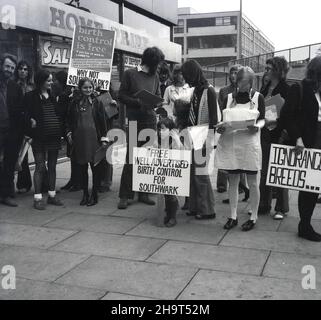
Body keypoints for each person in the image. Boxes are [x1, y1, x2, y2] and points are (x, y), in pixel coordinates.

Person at [215, 67, 265, 231]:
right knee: (233, 181)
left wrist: (257, 126)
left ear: (250, 82)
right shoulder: (229, 98)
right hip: (231, 143)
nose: (239, 84)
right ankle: (233, 215)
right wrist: (220, 127)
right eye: (237, 80)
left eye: (242, 81)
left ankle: (254, 216)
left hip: (249, 144)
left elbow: (264, 119)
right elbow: (222, 120)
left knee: (252, 181)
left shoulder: (258, 97)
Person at [118, 46, 164, 210]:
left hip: (150, 121)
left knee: (147, 158)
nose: (159, 67)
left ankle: (143, 193)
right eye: (157, 64)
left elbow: (158, 96)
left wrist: (159, 104)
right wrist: (137, 102)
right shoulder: (130, 74)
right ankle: (125, 195)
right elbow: (121, 95)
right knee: (131, 158)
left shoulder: (155, 76)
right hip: (134, 121)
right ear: (150, 62)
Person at [285, 56, 321, 242]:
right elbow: (287, 116)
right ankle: (304, 225)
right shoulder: (300, 88)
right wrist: (297, 138)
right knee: (309, 186)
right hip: (309, 141)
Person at [181, 59, 217, 220]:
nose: (186, 80)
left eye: (187, 76)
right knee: (192, 174)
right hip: (193, 134)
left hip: (202, 136)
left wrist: (207, 141)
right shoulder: (196, 90)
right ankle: (195, 206)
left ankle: (207, 209)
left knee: (201, 174)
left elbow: (214, 119)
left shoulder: (209, 91)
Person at [25, 69, 64, 210]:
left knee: (53, 167)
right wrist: (29, 121)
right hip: (39, 138)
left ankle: (52, 195)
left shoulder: (53, 96)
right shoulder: (30, 96)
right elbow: (24, 114)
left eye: (51, 80)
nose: (51, 82)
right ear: (41, 81)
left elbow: (58, 113)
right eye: (49, 80)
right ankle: (37, 198)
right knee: (40, 167)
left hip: (53, 137)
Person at [66, 78, 109, 206]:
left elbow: (103, 122)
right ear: (80, 88)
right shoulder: (74, 103)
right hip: (80, 141)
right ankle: (85, 194)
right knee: (82, 169)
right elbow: (68, 120)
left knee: (95, 169)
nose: (88, 90)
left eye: (90, 87)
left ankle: (94, 195)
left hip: (94, 140)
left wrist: (104, 138)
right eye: (85, 87)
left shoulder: (97, 102)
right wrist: (68, 133)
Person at [259, 57, 290, 220]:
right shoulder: (264, 89)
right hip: (264, 133)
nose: (266, 71)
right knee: (264, 172)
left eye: (268, 68)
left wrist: (276, 121)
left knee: (279, 172)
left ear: (278, 70)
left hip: (279, 135)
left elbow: (290, 115)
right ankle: (264, 204)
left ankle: (281, 208)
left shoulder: (287, 89)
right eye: (265, 68)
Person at [0, 54, 24, 207]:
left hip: (11, 131)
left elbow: (21, 110)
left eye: (12, 68)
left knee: (9, 164)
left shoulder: (16, 87)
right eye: (7, 66)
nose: (9, 70)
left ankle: (6, 194)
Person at [53, 71, 82, 193]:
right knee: (72, 155)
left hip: (71, 127)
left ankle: (77, 181)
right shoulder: (67, 93)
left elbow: (61, 110)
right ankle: (74, 180)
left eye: (56, 80)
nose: (54, 83)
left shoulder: (66, 95)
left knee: (74, 155)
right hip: (68, 127)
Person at [156, 117, 181, 227]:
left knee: (171, 194)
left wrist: (176, 139)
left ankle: (173, 217)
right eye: (159, 129)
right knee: (165, 194)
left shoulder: (174, 140)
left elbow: (180, 151)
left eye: (163, 129)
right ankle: (168, 213)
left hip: (172, 171)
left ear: (170, 130)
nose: (160, 131)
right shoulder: (157, 139)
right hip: (162, 170)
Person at [14, 60, 34, 194]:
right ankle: (23, 183)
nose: (23, 71)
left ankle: (42, 184)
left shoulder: (32, 86)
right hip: (18, 122)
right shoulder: (14, 85)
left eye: (25, 69)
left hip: (32, 122)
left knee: (39, 154)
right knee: (21, 154)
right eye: (20, 69)